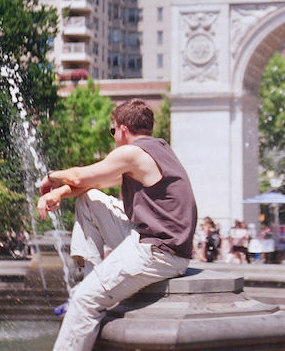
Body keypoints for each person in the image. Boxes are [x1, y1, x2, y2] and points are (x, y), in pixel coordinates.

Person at [37, 98, 197, 351]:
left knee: (85, 301)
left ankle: (86, 291)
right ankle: (90, 278)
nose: (114, 137)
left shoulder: (131, 153)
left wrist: (50, 178)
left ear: (122, 129)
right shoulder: (158, 149)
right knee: (87, 199)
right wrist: (59, 194)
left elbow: (79, 175)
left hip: (158, 251)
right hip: (154, 240)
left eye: (113, 131)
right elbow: (94, 184)